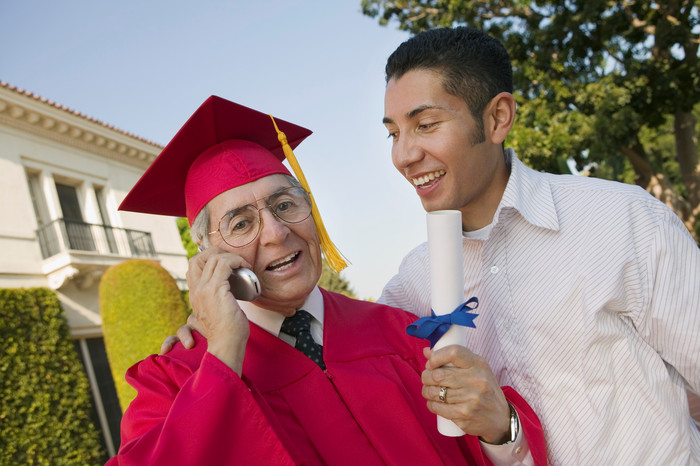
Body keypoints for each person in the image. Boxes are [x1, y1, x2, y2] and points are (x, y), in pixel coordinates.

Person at [109, 95, 548, 465]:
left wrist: (502, 429)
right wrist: (223, 353)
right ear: (209, 258)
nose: (278, 233)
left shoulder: (399, 332)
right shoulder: (173, 381)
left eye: (285, 205)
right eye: (241, 225)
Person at [378, 27, 700, 464]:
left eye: (426, 125)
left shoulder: (622, 221)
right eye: (393, 133)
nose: (403, 155)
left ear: (497, 118)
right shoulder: (414, 283)